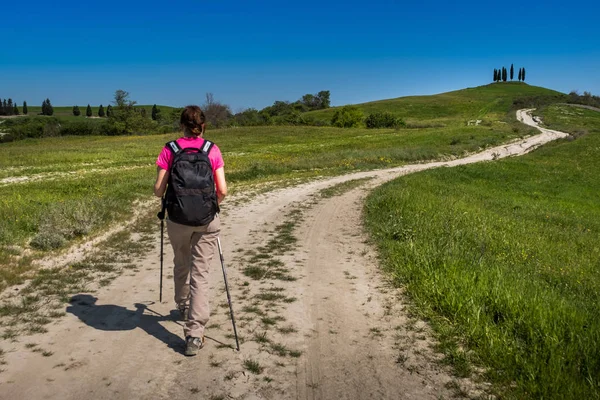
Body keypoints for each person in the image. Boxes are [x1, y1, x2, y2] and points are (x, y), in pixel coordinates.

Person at [154, 105, 227, 356]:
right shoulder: (211, 149)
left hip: (177, 218)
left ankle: (183, 305)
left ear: (181, 125)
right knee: (201, 274)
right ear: (203, 126)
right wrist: (210, 205)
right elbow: (224, 190)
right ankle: (194, 334)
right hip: (207, 220)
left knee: (181, 262)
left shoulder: (170, 149)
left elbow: (157, 189)